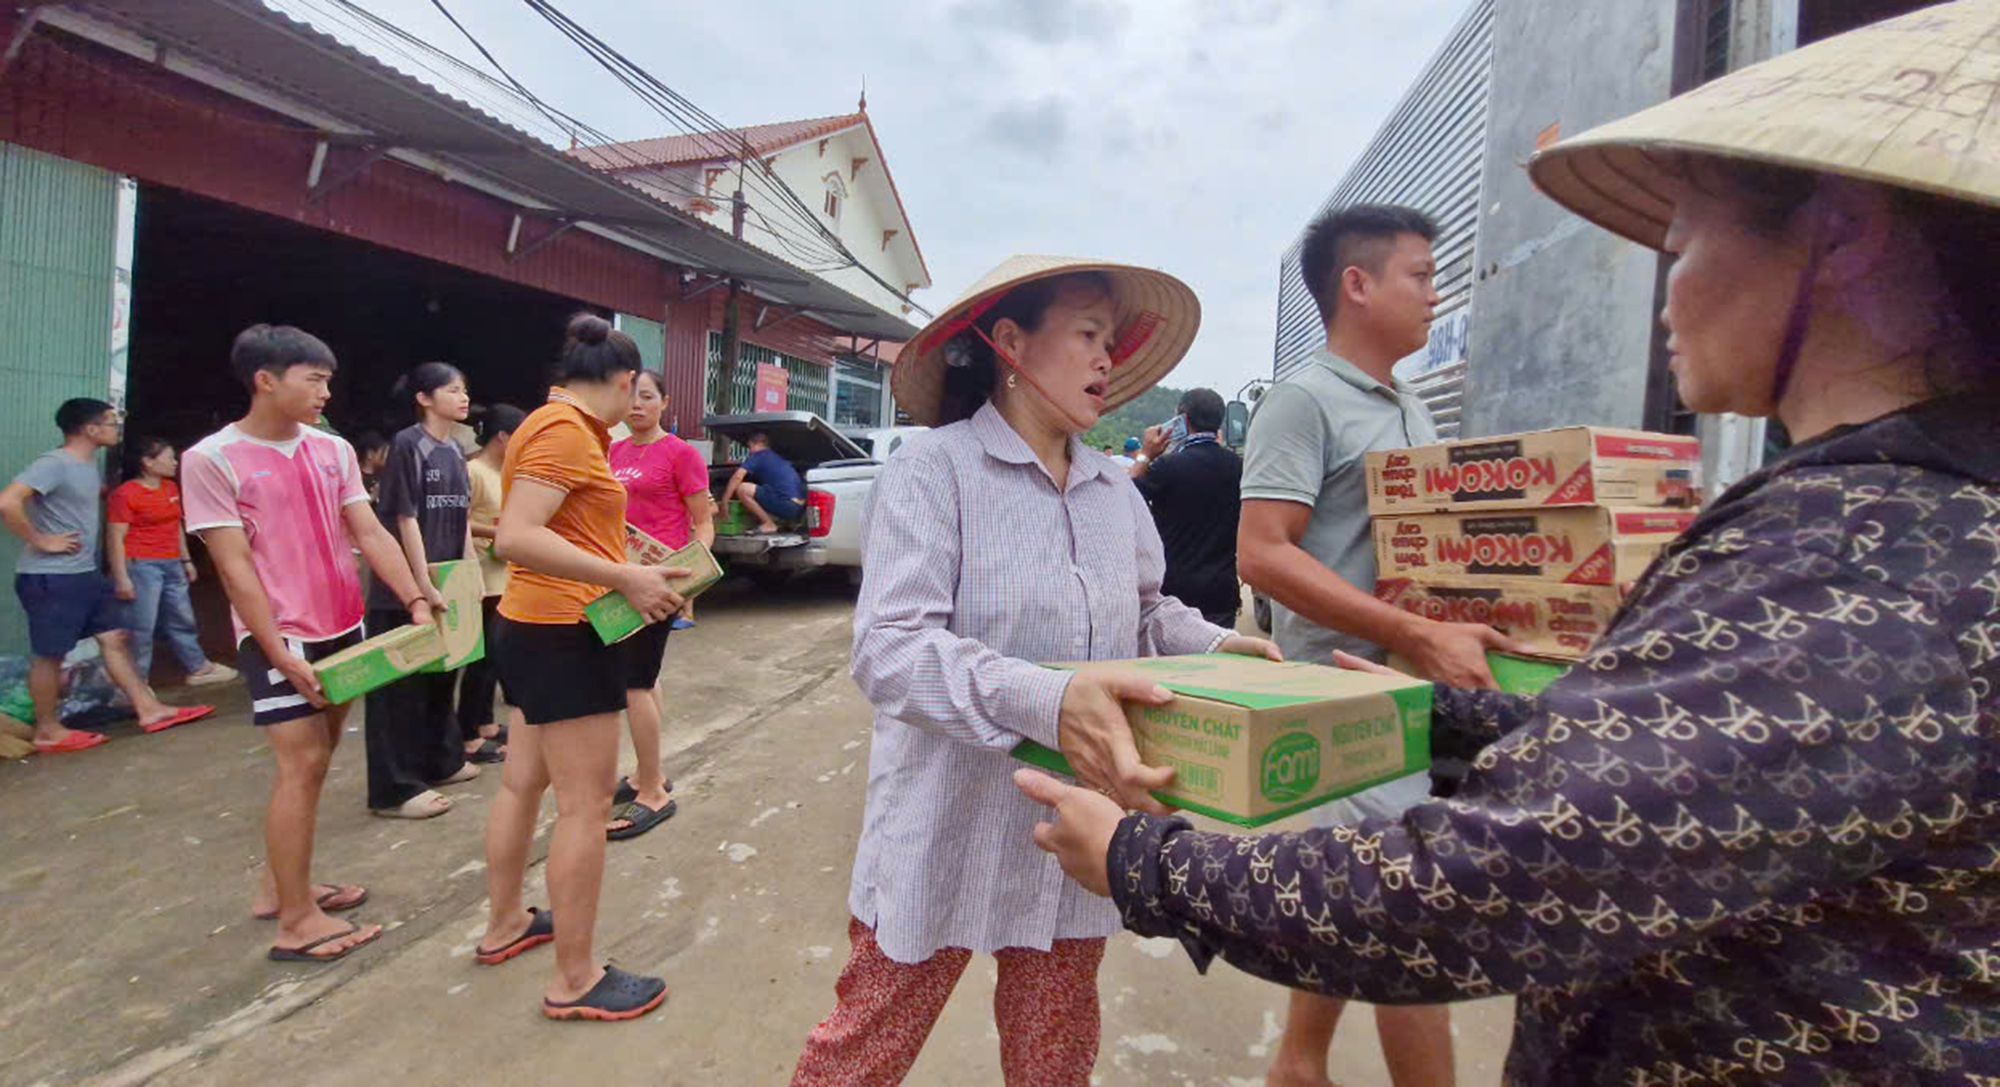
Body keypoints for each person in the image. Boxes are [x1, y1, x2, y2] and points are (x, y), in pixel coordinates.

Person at [1020, 9, 2000, 1083]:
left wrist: (1140, 862)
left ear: (1839, 234)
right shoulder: (1871, 523)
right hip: (1357, 684)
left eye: (1680, 246)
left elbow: (1482, 889)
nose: (1664, 290)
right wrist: (1438, 698)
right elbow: (1670, 779)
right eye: (1417, 275)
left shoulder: (1859, 552)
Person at [788, 255, 1280, 1086]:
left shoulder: (1114, 493)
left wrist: (1221, 648)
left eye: (1111, 341)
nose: (1105, 358)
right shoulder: (932, 470)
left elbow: (1148, 610)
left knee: (1054, 1053)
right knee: (862, 1049)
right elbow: (890, 646)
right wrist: (1049, 700)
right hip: (946, 821)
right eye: (1087, 334)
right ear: (1010, 343)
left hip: (1072, 833)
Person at [1235, 202, 1527, 1087]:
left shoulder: (1409, 408)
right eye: (1422, 275)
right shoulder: (1302, 401)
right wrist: (1411, 631)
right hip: (1347, 698)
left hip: (1414, 694)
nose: (1437, 294)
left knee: (1359, 906)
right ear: (1357, 286)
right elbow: (1262, 550)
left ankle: (1298, 1060)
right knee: (1414, 933)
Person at [182, 324, 436, 961]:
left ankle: (282, 886)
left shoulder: (334, 450)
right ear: (266, 380)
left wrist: (413, 598)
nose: (326, 391)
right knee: (300, 766)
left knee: (318, 763)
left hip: (344, 627)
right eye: (314, 379)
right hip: (283, 636)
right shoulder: (211, 459)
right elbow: (233, 567)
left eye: (328, 379)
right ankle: (296, 922)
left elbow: (370, 532)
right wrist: (276, 653)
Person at [476, 313, 686, 1021]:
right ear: (627, 384)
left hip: (532, 622)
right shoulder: (566, 431)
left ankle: (506, 921)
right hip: (565, 631)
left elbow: (561, 525)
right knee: (587, 805)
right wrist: (624, 578)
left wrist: (629, 557)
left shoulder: (553, 425)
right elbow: (518, 535)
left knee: (522, 783)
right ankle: (575, 976)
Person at [0, 399, 214, 753]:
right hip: (51, 577)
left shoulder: (86, 465)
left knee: (114, 637)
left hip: (83, 573)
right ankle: (48, 731)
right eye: (111, 421)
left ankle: (149, 710)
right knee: (50, 655)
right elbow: (9, 502)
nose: (117, 427)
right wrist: (42, 540)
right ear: (90, 429)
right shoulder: (55, 464)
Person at [362, 362, 476, 820]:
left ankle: (440, 761)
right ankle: (393, 789)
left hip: (447, 584)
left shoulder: (455, 451)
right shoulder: (409, 445)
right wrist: (420, 583)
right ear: (424, 398)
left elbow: (462, 518)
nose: (463, 397)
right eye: (452, 390)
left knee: (440, 677)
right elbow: (405, 518)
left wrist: (467, 572)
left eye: (465, 389)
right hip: (404, 591)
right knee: (397, 690)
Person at [604, 370, 713, 840]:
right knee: (645, 679)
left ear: (665, 402)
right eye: (631, 396)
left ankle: (652, 790)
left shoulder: (681, 453)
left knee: (633, 683)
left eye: (647, 397)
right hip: (618, 579)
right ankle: (645, 773)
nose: (637, 405)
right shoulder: (613, 452)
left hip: (659, 581)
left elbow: (703, 523)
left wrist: (688, 581)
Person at [106, 437, 238, 688]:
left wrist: (186, 559)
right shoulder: (126, 494)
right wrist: (121, 577)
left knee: (182, 618)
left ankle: (198, 668)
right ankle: (137, 683)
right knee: (141, 626)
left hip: (171, 563)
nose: (175, 462)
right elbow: (115, 538)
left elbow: (176, 526)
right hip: (141, 566)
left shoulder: (170, 488)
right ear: (147, 462)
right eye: (169, 458)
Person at [1128, 388, 1243, 630]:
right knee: (1216, 663)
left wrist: (1145, 455)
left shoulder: (1166, 467)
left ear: (1183, 419)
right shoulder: (1240, 467)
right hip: (1221, 591)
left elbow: (1123, 497)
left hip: (1174, 590)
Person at [457, 403, 525, 764]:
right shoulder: (473, 472)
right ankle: (467, 732)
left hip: (506, 574)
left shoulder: (507, 473)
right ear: (502, 437)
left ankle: (483, 723)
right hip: (483, 576)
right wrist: (498, 531)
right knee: (481, 659)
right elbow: (458, 522)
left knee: (496, 658)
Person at [718, 431, 803, 535]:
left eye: (750, 447)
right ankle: (783, 522)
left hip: (785, 504)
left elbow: (737, 477)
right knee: (764, 490)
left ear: (758, 444)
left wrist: (725, 500)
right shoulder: (777, 458)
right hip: (798, 509)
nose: (750, 452)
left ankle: (768, 523)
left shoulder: (758, 456)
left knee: (743, 488)